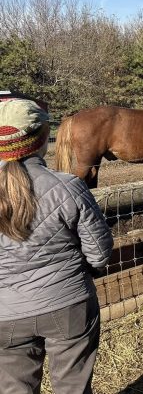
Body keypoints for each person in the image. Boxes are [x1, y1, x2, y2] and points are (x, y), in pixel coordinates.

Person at [0, 98, 113, 394]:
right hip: (69, 306)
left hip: (5, 315)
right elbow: (100, 254)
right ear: (41, 139)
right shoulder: (68, 187)